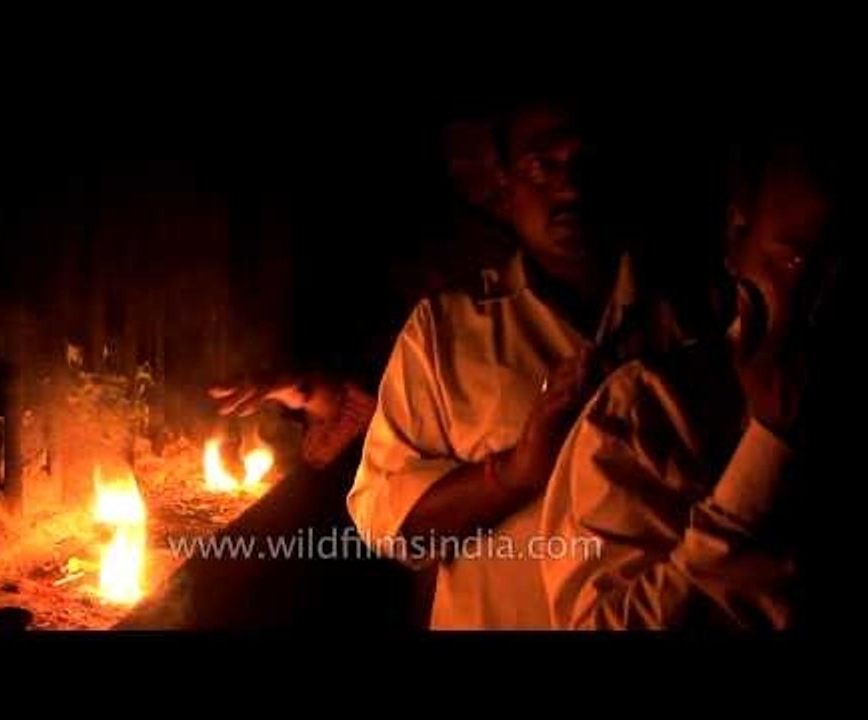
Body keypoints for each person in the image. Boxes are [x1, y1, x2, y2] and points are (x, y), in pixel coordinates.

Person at [346, 97, 683, 629]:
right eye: (541, 165)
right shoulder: (446, 330)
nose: (570, 188)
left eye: (585, 163)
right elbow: (384, 515)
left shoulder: (692, 322)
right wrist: (516, 474)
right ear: (504, 186)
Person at [538, 136, 846, 629]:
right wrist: (766, 454)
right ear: (736, 236)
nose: (826, 295)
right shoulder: (647, 409)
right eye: (796, 261)